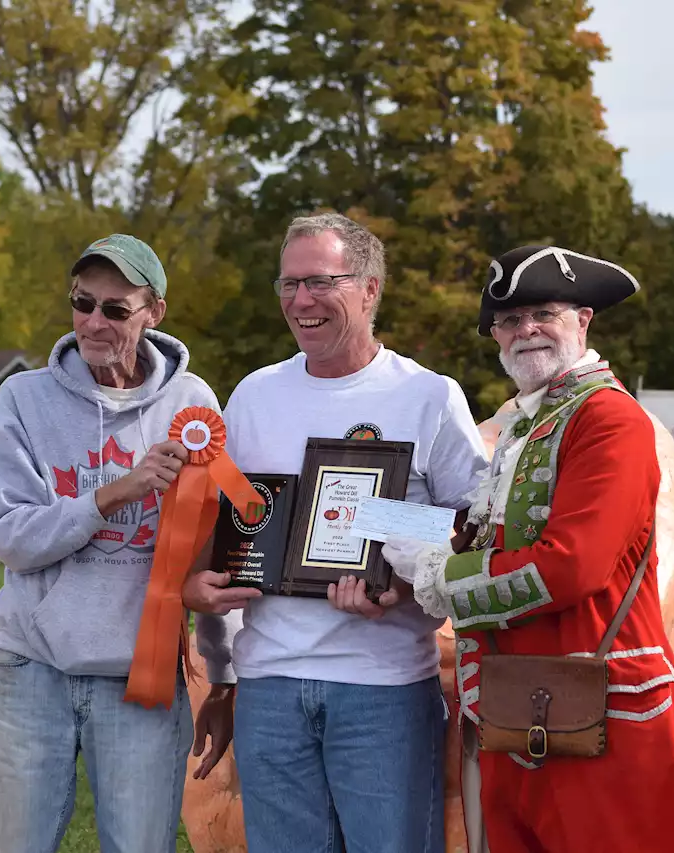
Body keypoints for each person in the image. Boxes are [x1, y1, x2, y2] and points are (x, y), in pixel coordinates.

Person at [381, 244, 674, 853]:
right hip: (521, 708)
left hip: (602, 713)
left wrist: (438, 572)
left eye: (543, 312)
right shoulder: (529, 420)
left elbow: (571, 567)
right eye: (510, 321)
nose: (527, 330)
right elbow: (490, 534)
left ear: (583, 319)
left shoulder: (607, 419)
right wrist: (366, 523)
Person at [183, 212, 490, 853]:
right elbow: (236, 526)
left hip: (384, 689)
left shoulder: (428, 396)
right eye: (288, 285)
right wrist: (201, 588)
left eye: (319, 282)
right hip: (269, 686)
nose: (301, 301)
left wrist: (397, 583)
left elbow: (473, 530)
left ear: (370, 288)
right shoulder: (253, 396)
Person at [0, 234, 239, 853]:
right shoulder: (23, 400)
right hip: (32, 668)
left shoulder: (192, 404)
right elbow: (11, 537)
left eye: (115, 309)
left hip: (140, 680)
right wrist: (112, 494)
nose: (93, 322)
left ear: (154, 312)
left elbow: (212, 545)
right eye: (82, 303)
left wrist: (223, 672)